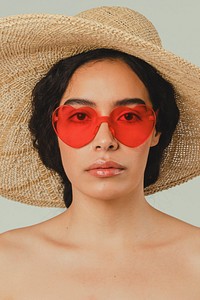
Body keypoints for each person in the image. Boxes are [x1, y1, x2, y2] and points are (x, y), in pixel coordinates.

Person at [0, 6, 200, 299]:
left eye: (129, 117)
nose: (105, 140)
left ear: (157, 129)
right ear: (54, 129)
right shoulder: (6, 264)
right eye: (80, 117)